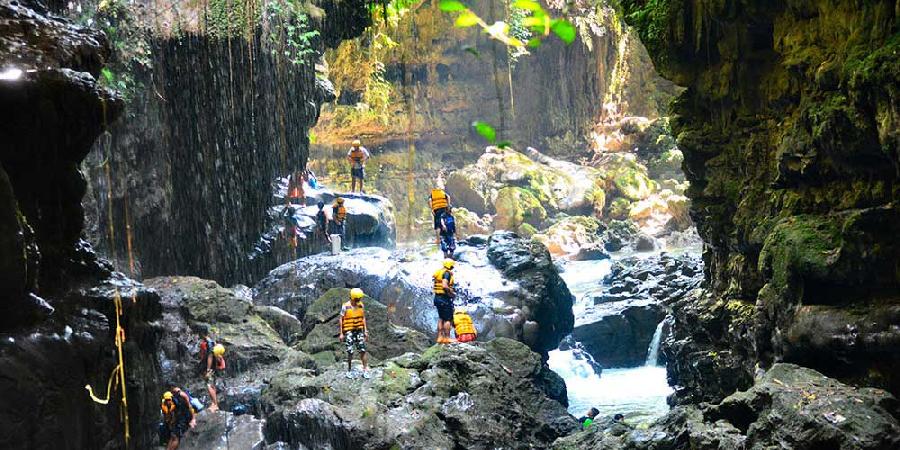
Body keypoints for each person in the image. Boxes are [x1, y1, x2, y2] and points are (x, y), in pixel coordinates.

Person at [339, 288, 370, 379]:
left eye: (359, 299)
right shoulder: (345, 306)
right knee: (350, 351)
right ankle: (349, 370)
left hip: (359, 330)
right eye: (357, 299)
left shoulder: (361, 305)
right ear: (352, 298)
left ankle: (365, 369)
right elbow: (341, 319)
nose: (358, 300)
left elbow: (363, 317)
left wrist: (365, 331)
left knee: (362, 350)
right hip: (349, 331)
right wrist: (341, 333)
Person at [160, 385, 196, 450]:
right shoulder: (169, 401)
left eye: (169, 399)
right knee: (173, 436)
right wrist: (171, 422)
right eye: (166, 400)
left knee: (176, 437)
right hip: (177, 420)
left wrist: (193, 419)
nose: (168, 401)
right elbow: (171, 414)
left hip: (184, 419)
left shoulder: (181, 396)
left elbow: (190, 407)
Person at [432, 258, 456, 344]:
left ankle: (440, 337)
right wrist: (451, 293)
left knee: (441, 318)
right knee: (448, 319)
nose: (453, 267)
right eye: (452, 265)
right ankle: (447, 338)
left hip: (437, 298)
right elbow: (445, 285)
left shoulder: (440, 272)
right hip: (444, 298)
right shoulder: (446, 274)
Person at [203, 341, 226, 412]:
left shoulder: (213, 354)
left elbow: (221, 366)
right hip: (215, 371)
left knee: (209, 386)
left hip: (212, 371)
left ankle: (215, 404)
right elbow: (223, 365)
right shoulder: (217, 352)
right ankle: (214, 403)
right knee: (213, 386)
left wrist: (208, 371)